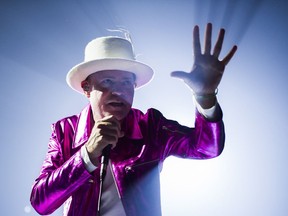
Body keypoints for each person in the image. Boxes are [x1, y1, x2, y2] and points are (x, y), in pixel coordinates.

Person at [30, 23, 237, 216]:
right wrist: (87, 154)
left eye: (126, 82)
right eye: (107, 81)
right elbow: (41, 202)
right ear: (87, 88)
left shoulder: (152, 126)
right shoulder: (65, 131)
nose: (118, 91)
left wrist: (206, 96)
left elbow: (206, 147)